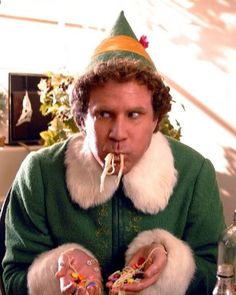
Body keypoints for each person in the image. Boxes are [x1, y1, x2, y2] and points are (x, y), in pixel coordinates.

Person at [2, 11, 225, 295]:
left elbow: (218, 273)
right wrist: (55, 271)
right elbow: (13, 278)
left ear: (156, 120)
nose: (119, 133)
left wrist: (170, 265)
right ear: (82, 119)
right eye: (104, 114)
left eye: (134, 114)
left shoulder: (195, 173)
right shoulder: (39, 173)